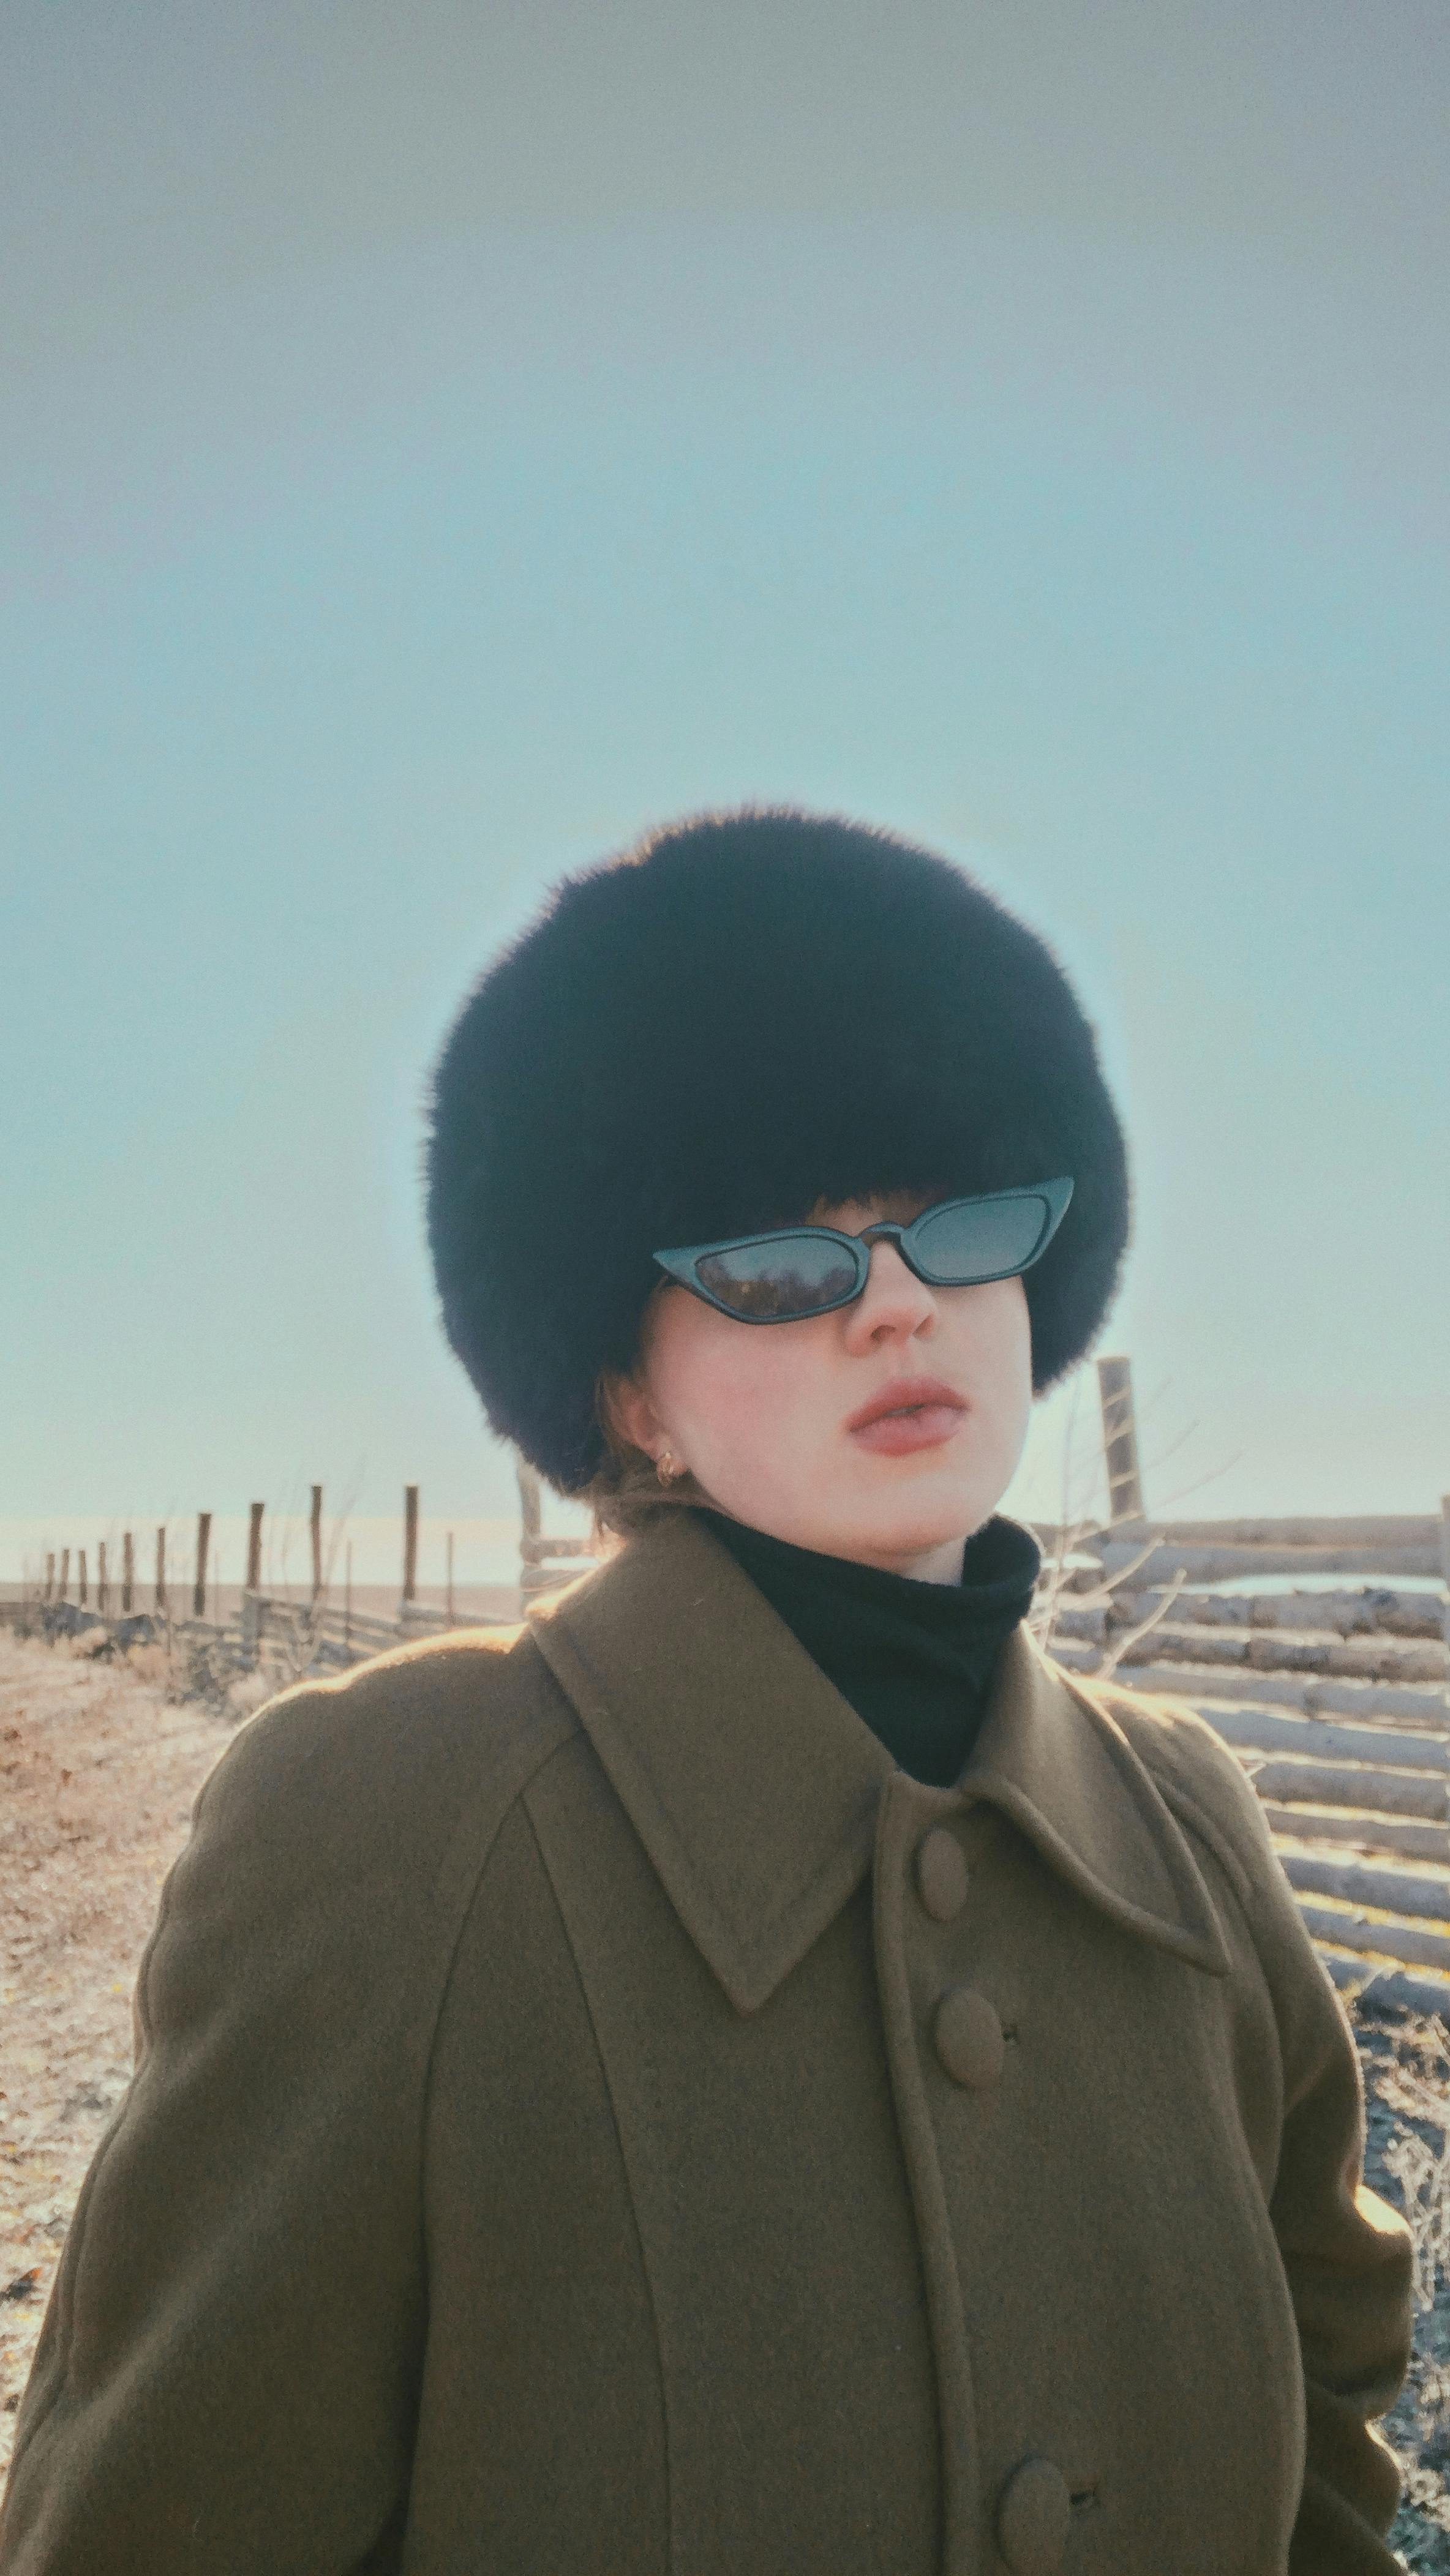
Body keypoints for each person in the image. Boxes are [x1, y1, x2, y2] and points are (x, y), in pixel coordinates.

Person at [0, 808, 1411, 2575]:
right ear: (629, 1397)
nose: (897, 1307)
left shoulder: (1187, 1818)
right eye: (780, 1262)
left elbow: (1336, 2405)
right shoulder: (395, 1823)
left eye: (957, 1225)